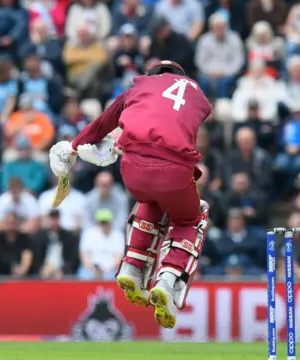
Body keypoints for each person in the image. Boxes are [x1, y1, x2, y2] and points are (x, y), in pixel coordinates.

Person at [48, 60, 211, 329]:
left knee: (150, 200)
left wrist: (74, 148)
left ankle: (133, 267)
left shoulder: (138, 87)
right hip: (175, 169)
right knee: (191, 218)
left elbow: (101, 124)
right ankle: (168, 279)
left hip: (133, 169)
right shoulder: (197, 94)